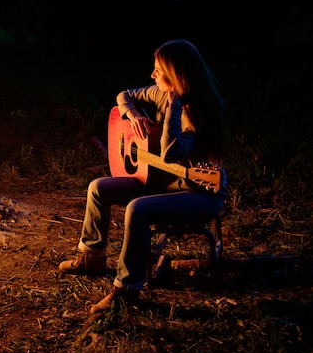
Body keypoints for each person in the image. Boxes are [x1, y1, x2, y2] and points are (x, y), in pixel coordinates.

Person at [59, 39, 228, 314]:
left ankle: (127, 290)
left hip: (198, 192)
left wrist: (174, 107)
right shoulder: (159, 93)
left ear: (175, 76)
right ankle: (93, 257)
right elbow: (123, 95)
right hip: (161, 181)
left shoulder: (202, 113)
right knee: (98, 188)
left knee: (137, 209)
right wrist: (134, 115)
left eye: (158, 71)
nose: (152, 75)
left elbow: (171, 153)